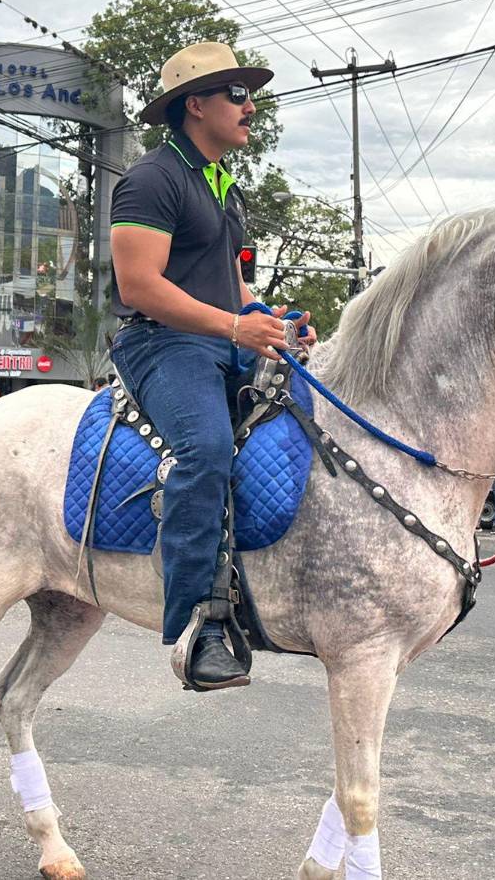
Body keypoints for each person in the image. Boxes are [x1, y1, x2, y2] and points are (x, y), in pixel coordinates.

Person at [109, 42, 316, 690]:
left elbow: (230, 286)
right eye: (236, 94)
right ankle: (198, 626)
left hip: (220, 341)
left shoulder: (222, 188)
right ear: (194, 105)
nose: (249, 106)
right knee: (206, 449)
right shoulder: (151, 180)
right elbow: (139, 285)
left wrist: (272, 323)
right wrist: (234, 326)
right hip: (162, 344)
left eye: (247, 94)